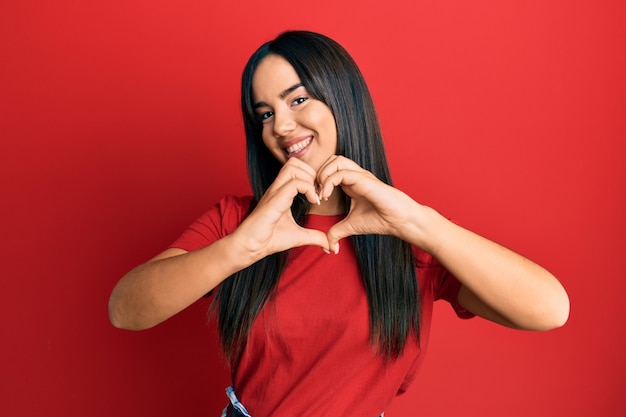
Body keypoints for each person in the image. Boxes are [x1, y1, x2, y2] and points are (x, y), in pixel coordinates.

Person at [108, 30, 570, 417]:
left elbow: (549, 309)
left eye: (298, 99)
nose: (281, 126)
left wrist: (417, 221)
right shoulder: (238, 221)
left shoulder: (410, 235)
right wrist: (240, 248)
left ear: (343, 100)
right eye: (265, 114)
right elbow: (125, 310)